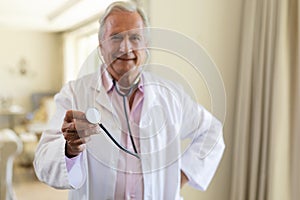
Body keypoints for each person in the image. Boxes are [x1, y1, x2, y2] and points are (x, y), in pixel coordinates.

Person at [33, 1, 225, 200]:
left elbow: (211, 131)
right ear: (101, 46)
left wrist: (182, 176)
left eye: (135, 37)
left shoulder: (170, 94)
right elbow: (43, 163)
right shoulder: (75, 93)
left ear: (145, 46)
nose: (126, 47)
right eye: (116, 37)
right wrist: (70, 149)